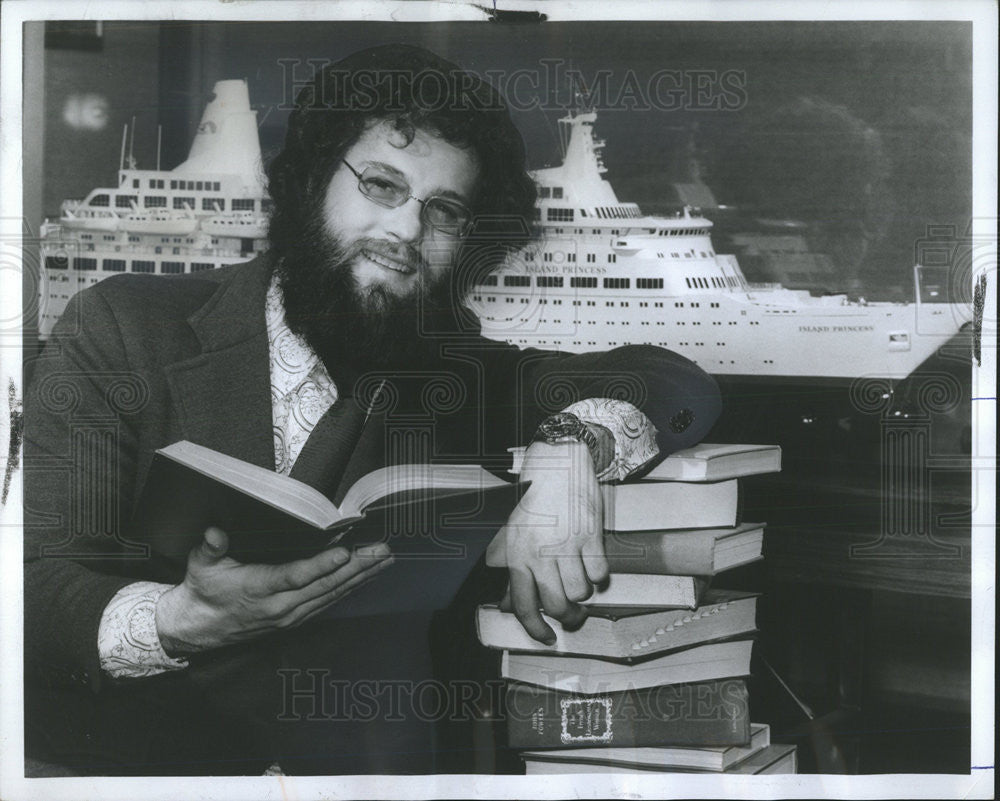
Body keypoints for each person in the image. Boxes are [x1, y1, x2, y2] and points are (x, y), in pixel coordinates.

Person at [23, 44, 721, 775]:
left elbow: (675, 380)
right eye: (382, 185)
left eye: (444, 211)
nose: (408, 232)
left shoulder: (448, 368)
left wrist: (570, 443)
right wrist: (178, 621)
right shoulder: (123, 329)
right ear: (308, 184)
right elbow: (33, 590)